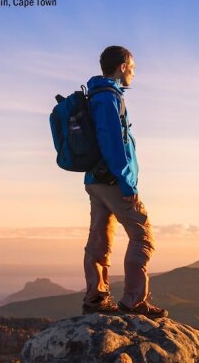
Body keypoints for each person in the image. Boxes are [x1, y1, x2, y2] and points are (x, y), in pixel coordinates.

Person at [81, 45, 168, 318]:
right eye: (132, 67)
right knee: (142, 236)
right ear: (122, 67)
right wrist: (127, 184)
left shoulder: (96, 94)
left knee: (100, 236)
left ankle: (96, 297)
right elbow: (113, 144)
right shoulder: (108, 98)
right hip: (113, 180)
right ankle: (133, 301)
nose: (133, 72)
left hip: (95, 178)